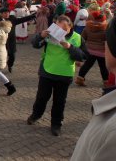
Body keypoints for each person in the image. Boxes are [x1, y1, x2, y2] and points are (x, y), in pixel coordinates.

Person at [27, 15, 86, 136]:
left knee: (59, 101)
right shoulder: (50, 34)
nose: (60, 32)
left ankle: (56, 124)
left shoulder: (77, 38)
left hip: (64, 74)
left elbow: (83, 56)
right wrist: (41, 36)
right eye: (58, 28)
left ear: (70, 27)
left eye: (64, 29)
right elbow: (35, 44)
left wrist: (70, 47)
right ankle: (36, 115)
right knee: (42, 97)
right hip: (47, 71)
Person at [70, 16, 116, 160]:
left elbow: (83, 37)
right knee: (102, 69)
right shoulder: (103, 27)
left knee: (87, 67)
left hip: (91, 49)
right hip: (100, 52)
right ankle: (104, 80)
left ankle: (80, 77)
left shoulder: (112, 128)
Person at [0, 7, 36, 72]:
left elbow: (22, 20)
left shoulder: (12, 19)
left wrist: (32, 16)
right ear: (1, 14)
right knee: (2, 55)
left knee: (12, 56)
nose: (7, 14)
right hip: (2, 42)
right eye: (5, 13)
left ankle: (10, 65)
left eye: (8, 13)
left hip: (11, 41)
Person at [75, 9, 108, 87]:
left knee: (86, 65)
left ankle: (80, 78)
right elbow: (108, 40)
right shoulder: (106, 29)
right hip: (101, 51)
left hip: (89, 50)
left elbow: (82, 39)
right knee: (103, 67)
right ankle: (106, 82)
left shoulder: (87, 27)